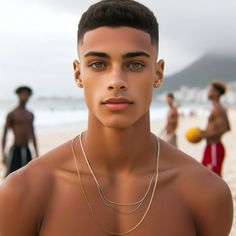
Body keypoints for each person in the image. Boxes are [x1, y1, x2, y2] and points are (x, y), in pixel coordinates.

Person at [0, 1, 233, 235]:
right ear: (78, 74)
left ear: (158, 73)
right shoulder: (25, 191)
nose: (116, 80)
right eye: (98, 64)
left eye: (135, 64)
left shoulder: (207, 194)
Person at [1, 86, 38, 176]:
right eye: (23, 94)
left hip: (27, 148)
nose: (25, 96)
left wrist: (36, 152)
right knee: (11, 176)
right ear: (18, 95)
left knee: (28, 175)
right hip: (15, 150)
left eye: (27, 94)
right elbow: (4, 135)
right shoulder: (12, 114)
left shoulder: (30, 114)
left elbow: (32, 134)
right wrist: (3, 154)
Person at [199, 81, 231, 176]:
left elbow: (224, 128)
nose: (208, 92)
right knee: (205, 176)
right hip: (210, 147)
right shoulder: (215, 107)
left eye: (210, 90)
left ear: (216, 93)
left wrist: (203, 135)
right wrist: (203, 132)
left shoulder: (218, 108)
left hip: (215, 147)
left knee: (214, 177)